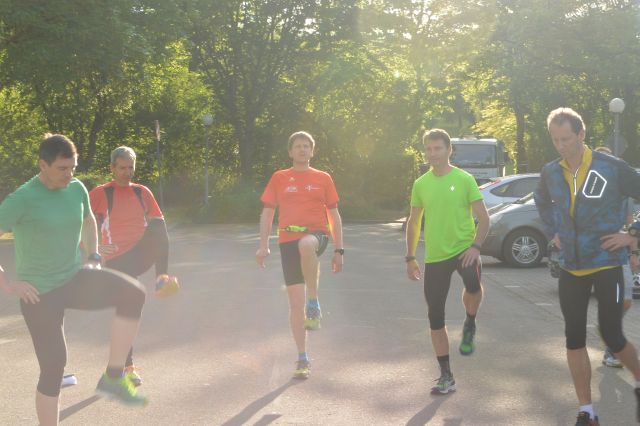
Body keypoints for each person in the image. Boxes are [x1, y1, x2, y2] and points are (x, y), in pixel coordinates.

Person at [0, 134, 148, 426]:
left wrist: (93, 255)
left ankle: (113, 376)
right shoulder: (22, 199)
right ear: (43, 165)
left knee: (134, 293)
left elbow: (89, 220)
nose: (69, 175)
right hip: (39, 294)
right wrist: (7, 284)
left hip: (72, 279)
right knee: (54, 367)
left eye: (73, 168)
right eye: (62, 169)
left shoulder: (76, 188)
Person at [534, 108, 640, 426]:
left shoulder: (611, 167)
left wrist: (632, 235)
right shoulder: (551, 172)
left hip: (607, 263)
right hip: (570, 267)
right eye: (555, 140)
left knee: (612, 333)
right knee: (574, 337)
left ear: (581, 134)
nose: (561, 146)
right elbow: (541, 200)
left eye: (566, 139)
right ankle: (587, 411)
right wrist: (553, 229)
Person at [405, 129, 490, 395]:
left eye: (438, 148)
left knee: (473, 283)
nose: (433, 154)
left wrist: (476, 247)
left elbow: (484, 219)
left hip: (464, 249)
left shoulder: (464, 179)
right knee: (435, 315)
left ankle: (470, 321)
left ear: (449, 149)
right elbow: (414, 222)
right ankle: (446, 375)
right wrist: (410, 257)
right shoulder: (421, 184)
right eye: (429, 149)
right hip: (436, 255)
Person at [84, 146, 178, 386]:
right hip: (117, 259)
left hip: (140, 254)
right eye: (122, 168)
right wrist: (92, 248)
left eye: (131, 167)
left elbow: (158, 227)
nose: (127, 172)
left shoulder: (141, 191)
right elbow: (80, 223)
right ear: (112, 168)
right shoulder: (101, 193)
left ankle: (162, 279)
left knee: (158, 225)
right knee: (128, 310)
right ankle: (126, 366)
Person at [256, 131, 344, 379]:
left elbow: (334, 215)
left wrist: (339, 249)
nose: (302, 149)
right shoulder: (280, 178)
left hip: (317, 236)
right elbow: (267, 213)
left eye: (306, 146)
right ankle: (302, 357)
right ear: (290, 151)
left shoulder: (323, 178)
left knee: (306, 245)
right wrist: (263, 245)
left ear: (312, 151)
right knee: (295, 304)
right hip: (287, 242)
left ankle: (313, 301)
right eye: (298, 146)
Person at [593, 146, 639, 369]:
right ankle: (611, 350)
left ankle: (608, 329)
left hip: (619, 249)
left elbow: (630, 223)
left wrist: (634, 251)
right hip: (595, 253)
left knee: (627, 301)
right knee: (612, 301)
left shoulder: (624, 189)